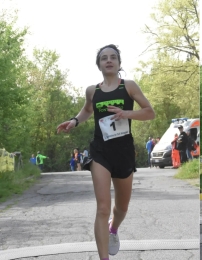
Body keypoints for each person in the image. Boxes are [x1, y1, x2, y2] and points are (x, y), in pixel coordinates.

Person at [56, 44, 155, 260]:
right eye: (104, 58)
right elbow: (87, 110)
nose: (108, 60)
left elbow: (150, 113)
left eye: (112, 57)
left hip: (124, 151)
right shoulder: (93, 91)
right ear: (99, 64)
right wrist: (74, 121)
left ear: (119, 63)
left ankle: (113, 229)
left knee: (121, 208)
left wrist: (126, 113)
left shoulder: (128, 86)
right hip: (100, 151)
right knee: (102, 207)